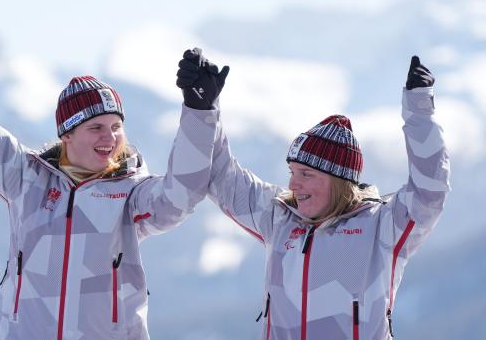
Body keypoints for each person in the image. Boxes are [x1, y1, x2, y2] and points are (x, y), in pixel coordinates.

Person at [0, 0, 220, 340]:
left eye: (116, 126)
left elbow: (181, 197)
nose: (110, 137)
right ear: (66, 135)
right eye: (96, 127)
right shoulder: (24, 178)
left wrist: (198, 112)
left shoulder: (130, 195)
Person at [176, 51, 450, 340]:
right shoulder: (280, 219)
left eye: (307, 175)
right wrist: (202, 110)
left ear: (340, 181)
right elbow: (221, 177)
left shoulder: (382, 226)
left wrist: (420, 109)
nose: (294, 185)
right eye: (292, 172)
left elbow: (429, 192)